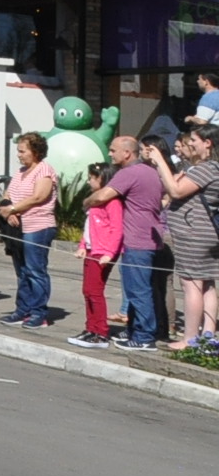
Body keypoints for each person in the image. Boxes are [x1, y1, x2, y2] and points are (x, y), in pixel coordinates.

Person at [87, 133, 164, 349]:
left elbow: (101, 196)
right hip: (149, 237)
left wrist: (86, 202)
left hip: (137, 241)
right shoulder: (150, 171)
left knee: (138, 291)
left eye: (113, 150)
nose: (110, 154)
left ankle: (144, 337)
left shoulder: (129, 173)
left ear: (127, 153)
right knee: (137, 289)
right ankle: (133, 330)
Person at [148, 125, 219, 348]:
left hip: (194, 233)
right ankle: (208, 335)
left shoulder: (206, 169)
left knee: (191, 284)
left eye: (194, 141)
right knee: (207, 283)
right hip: (205, 233)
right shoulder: (210, 168)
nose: (190, 144)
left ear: (207, 143)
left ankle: (190, 338)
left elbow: (176, 191)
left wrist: (160, 161)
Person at [0, 133, 58, 329]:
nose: (19, 155)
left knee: (35, 270)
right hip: (18, 227)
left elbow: (39, 197)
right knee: (22, 271)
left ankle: (39, 313)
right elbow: (7, 195)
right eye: (18, 151)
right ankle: (22, 309)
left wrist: (14, 209)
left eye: (23, 151)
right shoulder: (20, 171)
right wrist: (8, 212)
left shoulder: (44, 170)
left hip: (38, 226)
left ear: (36, 151)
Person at [68, 162, 122, 350]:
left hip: (102, 252)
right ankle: (90, 328)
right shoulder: (95, 202)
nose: (89, 181)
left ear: (103, 179)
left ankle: (101, 332)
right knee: (88, 291)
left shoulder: (113, 203)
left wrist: (110, 253)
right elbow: (88, 228)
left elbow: (117, 230)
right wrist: (83, 246)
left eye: (92, 178)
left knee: (95, 291)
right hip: (92, 250)